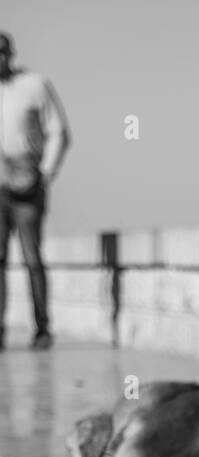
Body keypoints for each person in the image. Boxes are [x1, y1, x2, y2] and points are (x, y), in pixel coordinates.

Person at [0, 31, 71, 350]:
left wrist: (45, 174)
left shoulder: (35, 86)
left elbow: (58, 132)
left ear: (11, 54)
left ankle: (42, 329)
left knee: (32, 258)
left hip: (28, 185)